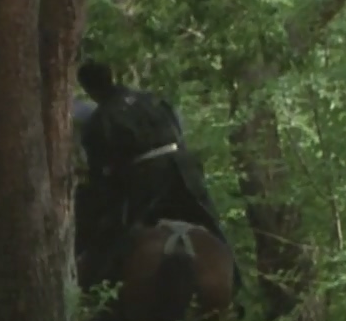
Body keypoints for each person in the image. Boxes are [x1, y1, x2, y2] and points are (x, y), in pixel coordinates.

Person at [73, 61, 243, 302]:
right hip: (183, 167)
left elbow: (101, 171)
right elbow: (178, 129)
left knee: (111, 232)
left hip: (145, 177)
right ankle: (236, 283)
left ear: (88, 88)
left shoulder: (100, 119)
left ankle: (96, 291)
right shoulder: (152, 99)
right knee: (209, 220)